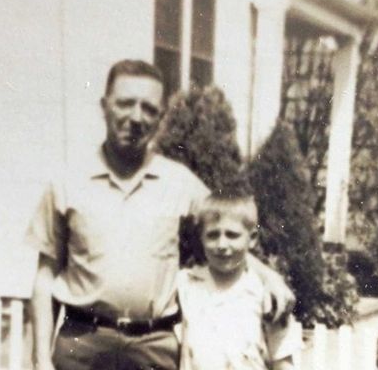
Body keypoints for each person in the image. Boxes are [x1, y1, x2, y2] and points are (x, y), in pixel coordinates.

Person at [26, 59, 294, 369]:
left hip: (154, 346)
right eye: (125, 104)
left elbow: (228, 229)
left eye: (149, 109)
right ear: (105, 106)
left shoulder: (180, 183)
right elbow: (45, 277)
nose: (136, 117)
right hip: (83, 343)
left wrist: (267, 275)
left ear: (160, 117)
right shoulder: (67, 184)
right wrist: (40, 360)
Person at [177, 193, 299, 370]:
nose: (222, 244)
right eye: (212, 235)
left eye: (232, 235)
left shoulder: (267, 296)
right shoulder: (186, 285)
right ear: (201, 238)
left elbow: (283, 363)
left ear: (253, 239)